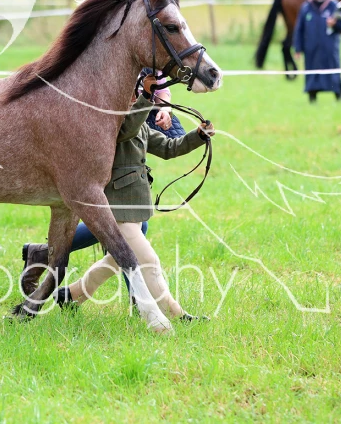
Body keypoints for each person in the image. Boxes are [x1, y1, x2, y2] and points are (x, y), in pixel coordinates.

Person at [20, 75, 215, 321]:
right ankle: (175, 313)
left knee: (115, 260)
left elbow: (169, 148)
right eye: (133, 93)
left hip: (134, 206)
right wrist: (146, 98)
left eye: (136, 93)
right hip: (117, 208)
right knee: (148, 261)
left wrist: (198, 136)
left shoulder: (140, 124)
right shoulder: (110, 123)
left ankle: (72, 295)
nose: (135, 97)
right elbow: (127, 130)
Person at [293, 0, 341, 103]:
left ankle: (338, 95)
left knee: (332, 70)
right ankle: (312, 97)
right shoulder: (306, 7)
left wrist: (335, 24)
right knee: (312, 71)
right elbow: (299, 29)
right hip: (311, 48)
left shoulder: (334, 5)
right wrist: (297, 48)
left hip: (329, 47)